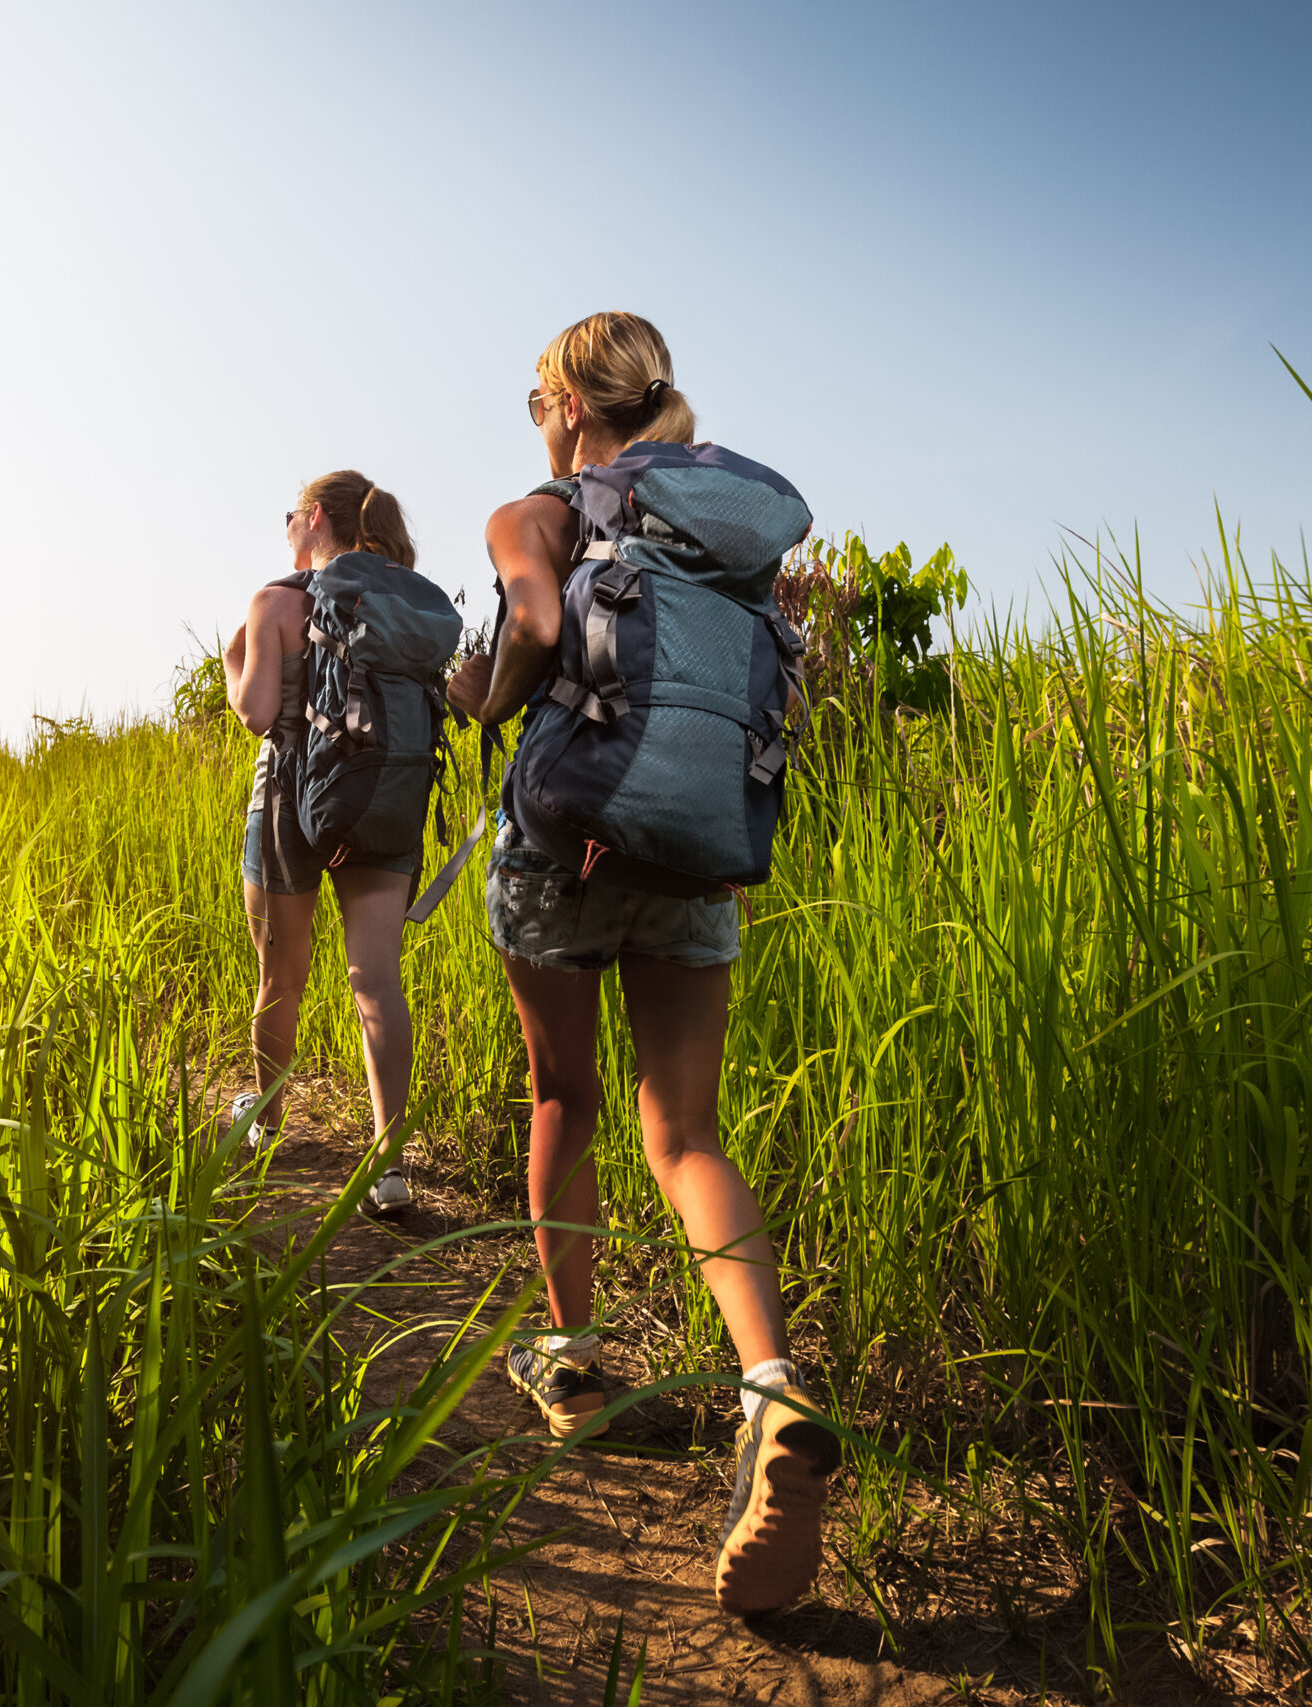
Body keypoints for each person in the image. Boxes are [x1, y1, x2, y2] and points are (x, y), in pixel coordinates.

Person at [444, 312, 839, 1617]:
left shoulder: (541, 506)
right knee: (688, 1134)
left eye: (534, 392)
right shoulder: (725, 529)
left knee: (568, 1097)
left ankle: (572, 1362)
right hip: (698, 855)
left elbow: (533, 634)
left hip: (563, 849)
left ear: (564, 399)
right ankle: (771, 1384)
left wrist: (476, 692)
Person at [221, 471, 432, 1218]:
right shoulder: (396, 604)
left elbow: (252, 714)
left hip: (286, 799)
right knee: (375, 979)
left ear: (315, 519)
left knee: (282, 976)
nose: (287, 530)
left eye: (290, 517)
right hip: (379, 798)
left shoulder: (277, 601)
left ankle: (268, 1118)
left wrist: (231, 661)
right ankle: (390, 1164)